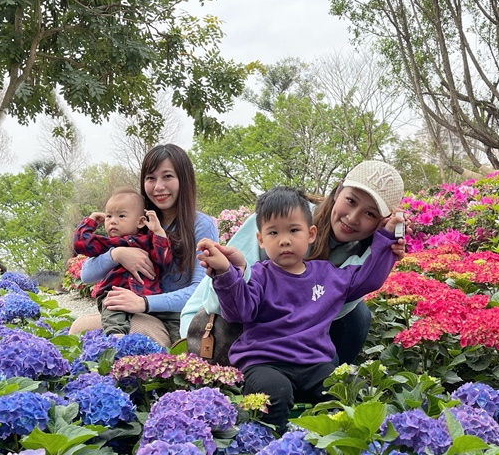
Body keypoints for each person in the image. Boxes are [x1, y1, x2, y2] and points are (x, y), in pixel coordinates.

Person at [197, 186, 404, 428]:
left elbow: (368, 278)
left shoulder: (328, 275)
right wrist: (225, 273)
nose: (284, 240)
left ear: (311, 234)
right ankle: (271, 451)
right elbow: (238, 311)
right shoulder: (259, 276)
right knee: (274, 395)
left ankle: (336, 449)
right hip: (265, 363)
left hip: (314, 364)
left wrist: (388, 237)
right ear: (261, 240)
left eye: (294, 230)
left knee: (351, 389)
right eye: (273, 233)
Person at [180, 160, 407, 364]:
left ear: (381, 221)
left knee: (357, 316)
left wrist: (383, 246)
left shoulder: (360, 248)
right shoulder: (286, 218)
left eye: (370, 214)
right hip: (219, 323)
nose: (353, 217)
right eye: (350, 200)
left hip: (289, 333)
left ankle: (324, 387)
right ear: (338, 191)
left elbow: (334, 310)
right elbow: (223, 302)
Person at [69, 144, 218, 345]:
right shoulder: (134, 219)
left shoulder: (200, 225)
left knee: (140, 336)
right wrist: (118, 254)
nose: (158, 187)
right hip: (131, 312)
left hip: (175, 316)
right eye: (151, 178)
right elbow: (87, 275)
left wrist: (144, 303)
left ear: (184, 179)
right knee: (80, 329)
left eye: (167, 176)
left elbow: (200, 292)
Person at [72, 188, 171, 336]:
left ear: (141, 222)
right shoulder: (109, 244)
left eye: (121, 216)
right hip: (114, 294)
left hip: (146, 297)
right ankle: (115, 337)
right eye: (109, 216)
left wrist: (158, 232)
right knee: (114, 313)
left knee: (171, 318)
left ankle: (178, 344)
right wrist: (90, 221)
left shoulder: (149, 241)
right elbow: (81, 244)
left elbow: (164, 260)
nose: (113, 221)